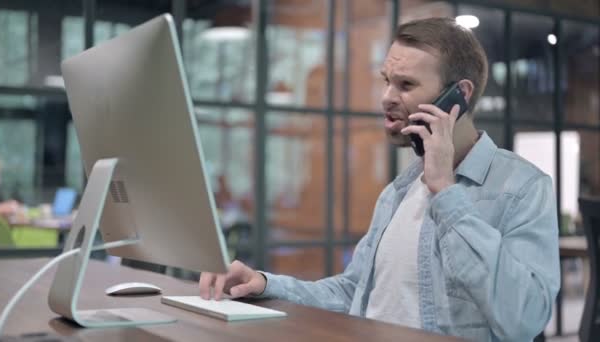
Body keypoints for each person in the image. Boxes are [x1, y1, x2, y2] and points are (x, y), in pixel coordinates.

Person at [198, 17, 560, 341]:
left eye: (405, 84)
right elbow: (353, 291)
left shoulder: (524, 188)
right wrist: (264, 283)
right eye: (386, 81)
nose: (387, 97)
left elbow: (524, 320)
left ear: (459, 96)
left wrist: (447, 193)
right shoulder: (398, 191)